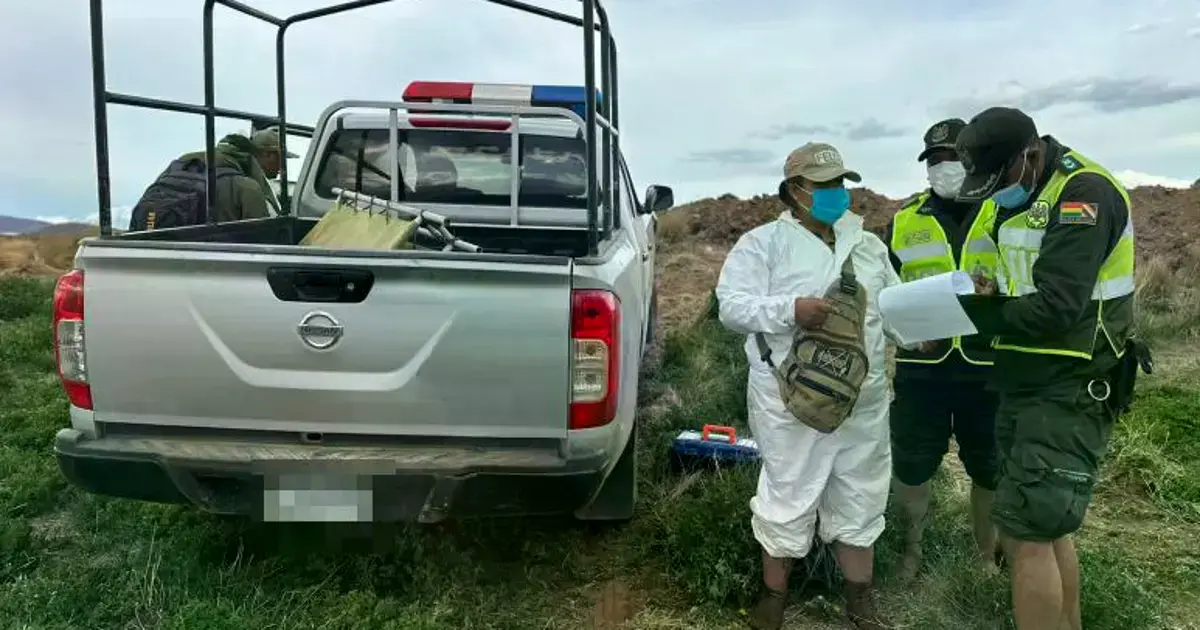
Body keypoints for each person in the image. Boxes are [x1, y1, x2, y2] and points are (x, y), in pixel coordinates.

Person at [953, 107, 1137, 630]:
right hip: (1025, 377)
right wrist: (977, 293)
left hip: (1072, 384)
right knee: (1047, 525)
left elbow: (1058, 306)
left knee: (1026, 534)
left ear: (1030, 154)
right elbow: (992, 274)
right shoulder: (1012, 197)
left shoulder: (1085, 194)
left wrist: (978, 316)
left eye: (1001, 179)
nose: (995, 193)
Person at [715, 142, 901, 630]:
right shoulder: (762, 244)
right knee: (788, 489)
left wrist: (924, 327)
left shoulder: (868, 245)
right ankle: (773, 598)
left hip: (863, 398)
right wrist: (789, 310)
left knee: (861, 489)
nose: (838, 193)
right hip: (789, 398)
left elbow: (892, 312)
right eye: (825, 185)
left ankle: (859, 601)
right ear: (795, 190)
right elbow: (731, 307)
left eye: (842, 183)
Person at [883, 118, 1002, 580]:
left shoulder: (1002, 212)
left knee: (991, 467)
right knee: (911, 465)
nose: (942, 167)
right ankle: (909, 554)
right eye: (934, 160)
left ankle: (984, 557)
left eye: (951, 157)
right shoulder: (904, 220)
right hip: (922, 369)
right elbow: (886, 289)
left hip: (988, 364)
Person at [128, 128, 295, 231]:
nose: (281, 168)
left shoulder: (182, 165)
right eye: (280, 159)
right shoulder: (247, 188)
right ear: (267, 154)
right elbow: (265, 245)